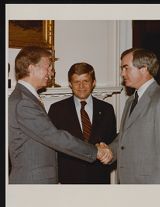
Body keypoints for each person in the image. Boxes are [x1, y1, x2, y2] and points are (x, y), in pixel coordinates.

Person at [8, 46, 112, 184]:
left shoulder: (25, 98)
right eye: (48, 67)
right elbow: (54, 137)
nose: (51, 73)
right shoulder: (24, 102)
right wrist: (95, 151)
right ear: (32, 68)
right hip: (33, 181)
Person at [101, 48, 160, 184]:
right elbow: (124, 138)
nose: (122, 73)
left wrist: (157, 195)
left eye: (126, 68)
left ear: (144, 69)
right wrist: (109, 151)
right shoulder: (131, 99)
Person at [48, 62, 117, 184]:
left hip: (99, 178)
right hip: (69, 179)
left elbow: (111, 143)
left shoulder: (107, 109)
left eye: (85, 81)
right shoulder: (57, 109)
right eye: (76, 82)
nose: (81, 86)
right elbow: (52, 146)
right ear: (70, 84)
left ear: (93, 83)